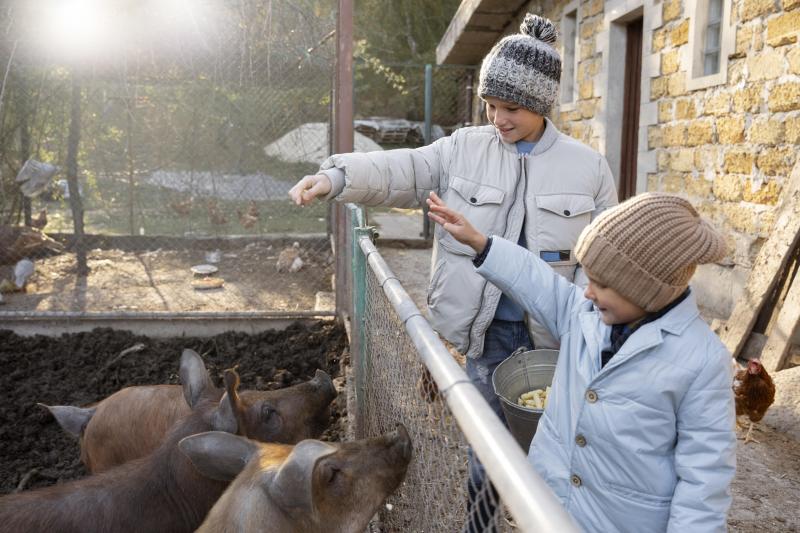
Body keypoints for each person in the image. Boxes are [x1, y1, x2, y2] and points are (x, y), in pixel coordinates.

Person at [290, 13, 617, 531]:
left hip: (556, 341)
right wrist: (336, 177)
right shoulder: (464, 148)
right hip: (487, 336)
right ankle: (480, 527)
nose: (497, 118)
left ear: (541, 104)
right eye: (490, 104)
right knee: (484, 455)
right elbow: (402, 169)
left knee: (560, 457)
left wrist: (591, 330)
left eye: (510, 107)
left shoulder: (588, 168)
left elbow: (602, 258)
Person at [426, 190, 737, 532]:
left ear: (643, 289)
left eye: (601, 284)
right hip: (550, 510)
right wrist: (481, 243)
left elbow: (703, 481)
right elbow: (537, 280)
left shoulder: (703, 361)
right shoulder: (584, 315)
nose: (587, 292)